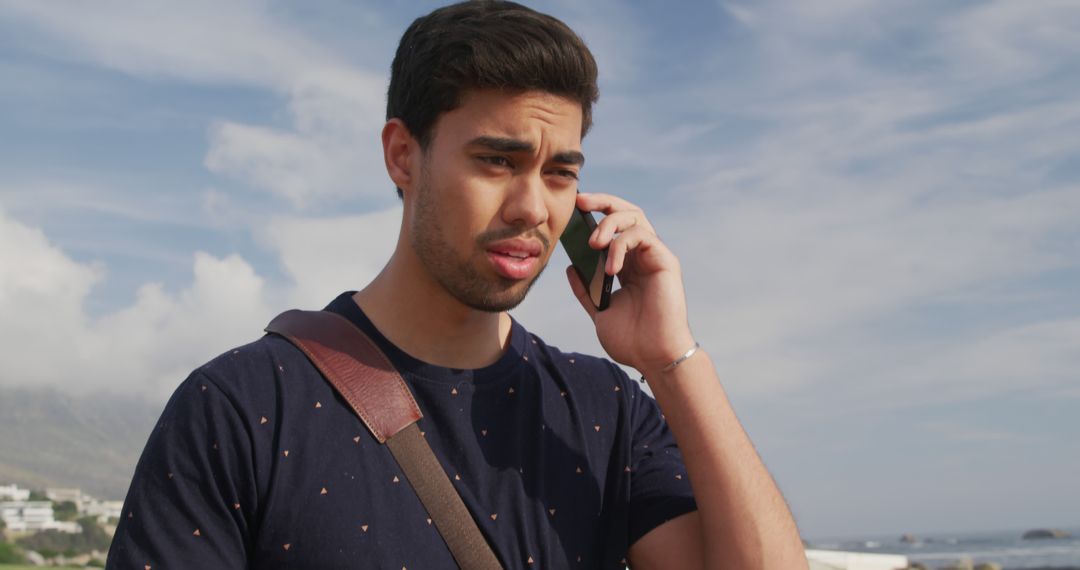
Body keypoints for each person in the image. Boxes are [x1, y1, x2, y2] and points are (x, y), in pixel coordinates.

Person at [107, 1, 807, 568]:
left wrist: (671, 360)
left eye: (560, 172)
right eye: (497, 161)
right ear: (402, 155)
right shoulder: (241, 407)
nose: (534, 207)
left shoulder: (608, 413)